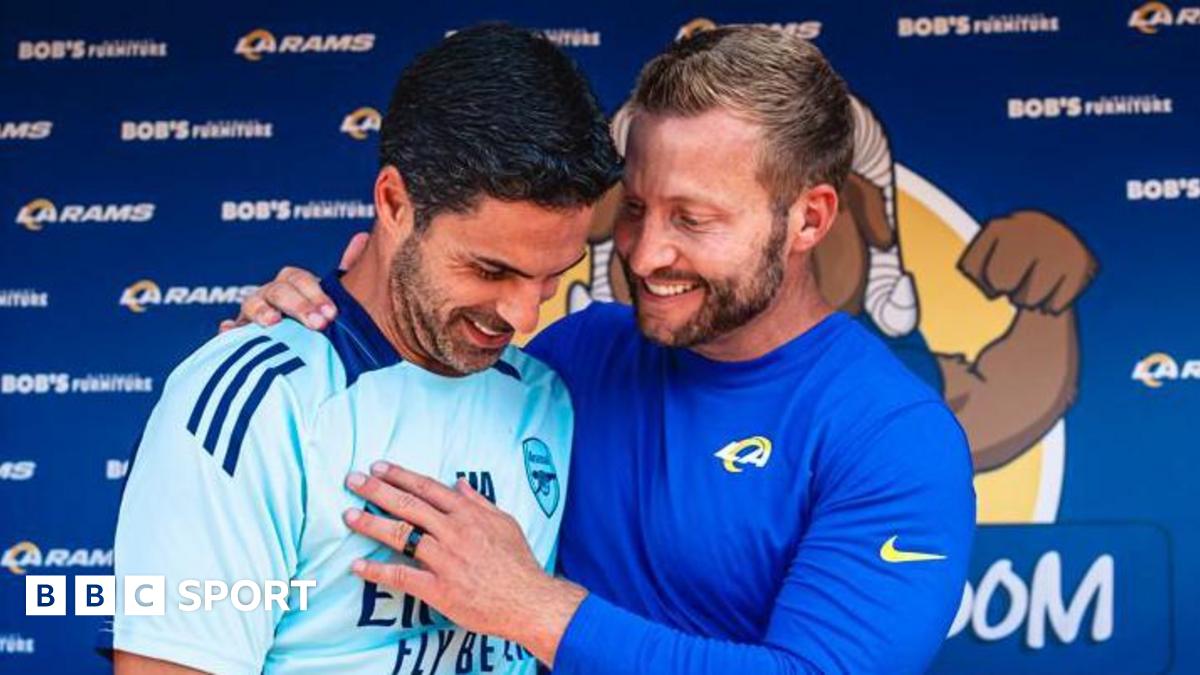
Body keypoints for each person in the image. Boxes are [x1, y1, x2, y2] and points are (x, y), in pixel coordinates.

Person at [233, 26, 975, 674]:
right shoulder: (578, 353)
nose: (645, 254)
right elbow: (406, 359)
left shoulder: (894, 437)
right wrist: (301, 318)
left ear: (808, 219)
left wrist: (533, 607)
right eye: (637, 208)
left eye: (693, 218)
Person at [106, 23, 619, 674]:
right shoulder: (259, 400)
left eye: (551, 276)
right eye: (491, 270)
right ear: (394, 202)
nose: (523, 315)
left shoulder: (547, 396)